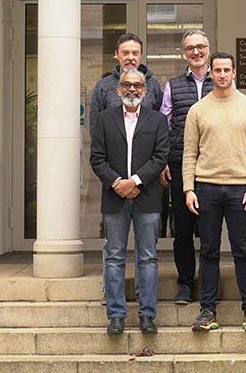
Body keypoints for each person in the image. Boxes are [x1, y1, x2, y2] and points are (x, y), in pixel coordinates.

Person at [183, 52, 246, 332]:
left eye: (226, 70)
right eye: (216, 70)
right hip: (206, 187)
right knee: (208, 250)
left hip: (240, 189)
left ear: (233, 72)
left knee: (242, 250)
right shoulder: (198, 110)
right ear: (211, 73)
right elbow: (189, 153)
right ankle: (207, 310)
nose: (221, 74)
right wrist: (188, 189)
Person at [90, 68, 169, 335]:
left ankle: (148, 315)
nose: (132, 90)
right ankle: (116, 316)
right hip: (114, 198)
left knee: (147, 258)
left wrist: (134, 181)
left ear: (145, 91)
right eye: (126, 85)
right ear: (118, 89)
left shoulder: (158, 120)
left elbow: (160, 156)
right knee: (114, 258)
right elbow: (97, 158)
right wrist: (117, 184)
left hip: (146, 198)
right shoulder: (103, 119)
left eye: (137, 85)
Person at [159, 29, 214, 305]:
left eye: (201, 47)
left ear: (208, 49)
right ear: (184, 53)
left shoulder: (221, 82)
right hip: (181, 164)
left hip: (214, 166)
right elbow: (164, 125)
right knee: (182, 228)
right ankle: (184, 283)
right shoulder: (172, 85)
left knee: (209, 229)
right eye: (191, 48)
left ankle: (208, 283)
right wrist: (165, 161)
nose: (196, 52)